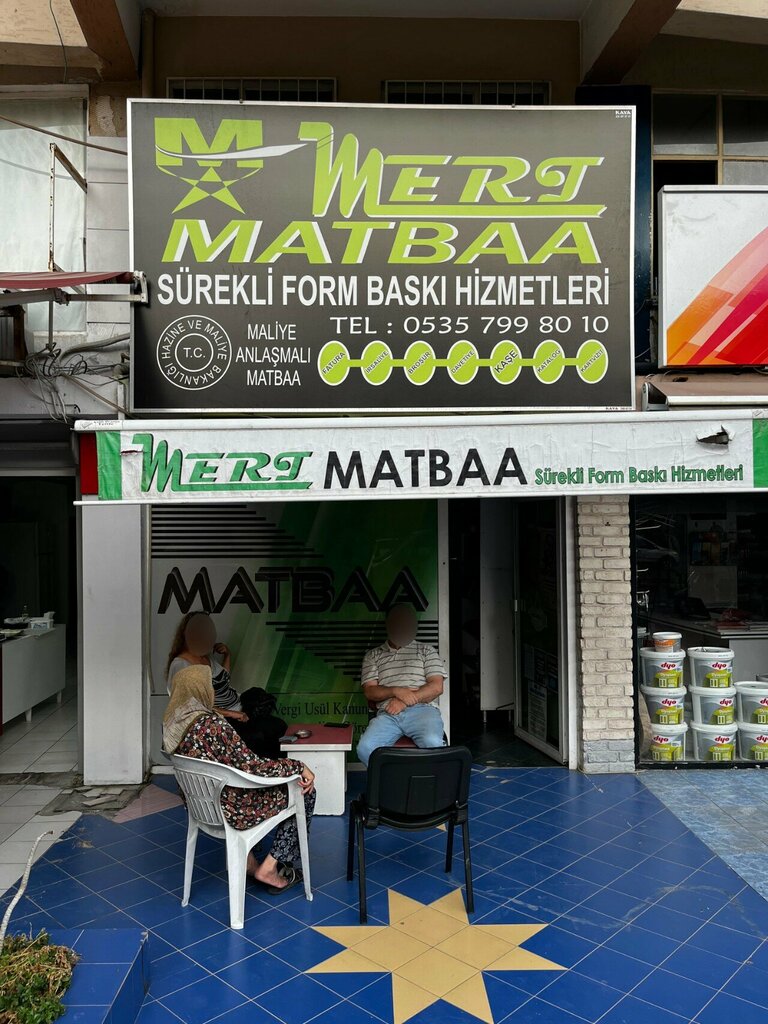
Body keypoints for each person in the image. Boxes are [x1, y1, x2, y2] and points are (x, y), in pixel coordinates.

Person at [163, 663, 315, 893]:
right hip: (234, 808)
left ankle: (249, 863)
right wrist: (298, 767)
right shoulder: (211, 725)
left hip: (202, 807)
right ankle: (270, 868)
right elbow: (253, 767)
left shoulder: (172, 726)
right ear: (200, 689)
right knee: (303, 791)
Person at [166, 611, 286, 758]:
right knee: (258, 736)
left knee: (278, 726)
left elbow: (223, 679)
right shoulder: (181, 665)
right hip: (221, 718)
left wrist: (227, 655)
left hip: (239, 706)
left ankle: (278, 765)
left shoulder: (205, 657)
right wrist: (231, 714)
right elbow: (192, 708)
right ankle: (262, 767)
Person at [356, 604, 447, 767]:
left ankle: (428, 781)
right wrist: (396, 691)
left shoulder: (426, 650)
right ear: (388, 624)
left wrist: (404, 700)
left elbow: (436, 687)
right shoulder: (373, 655)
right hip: (388, 713)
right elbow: (370, 691)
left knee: (432, 742)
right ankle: (394, 779)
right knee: (365, 748)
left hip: (422, 710)